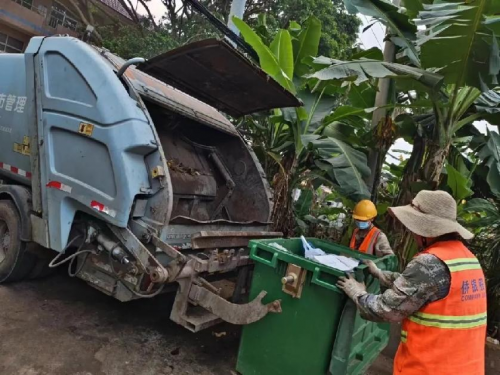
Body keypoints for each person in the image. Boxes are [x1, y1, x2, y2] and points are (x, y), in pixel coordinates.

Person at [337, 190, 487, 375]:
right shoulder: (468, 260)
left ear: (426, 230)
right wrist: (380, 273)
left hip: (429, 368)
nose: (412, 233)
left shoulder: (429, 262)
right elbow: (422, 288)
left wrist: (357, 292)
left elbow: (385, 310)